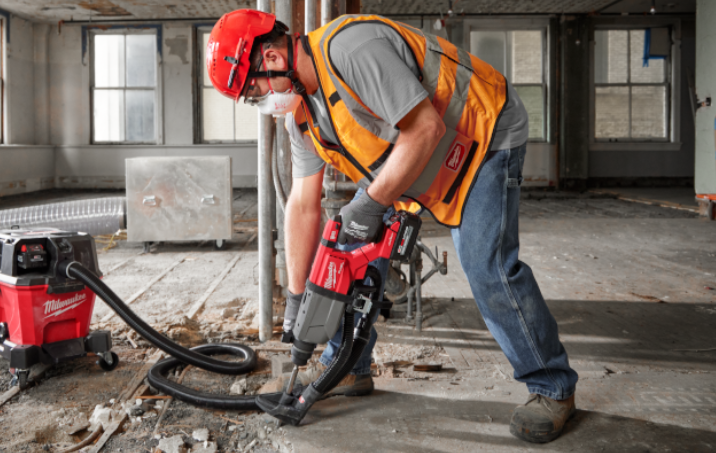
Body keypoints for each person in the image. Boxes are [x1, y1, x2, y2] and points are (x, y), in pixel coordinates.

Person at [206, 10, 579, 443]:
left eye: (253, 90)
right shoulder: (301, 118)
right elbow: (304, 206)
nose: (260, 102)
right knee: (344, 252)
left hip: (481, 134)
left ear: (270, 58)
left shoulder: (350, 50)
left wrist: (370, 202)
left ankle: (552, 386)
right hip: (414, 159)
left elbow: (425, 128)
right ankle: (349, 365)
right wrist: (295, 295)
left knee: (487, 265)